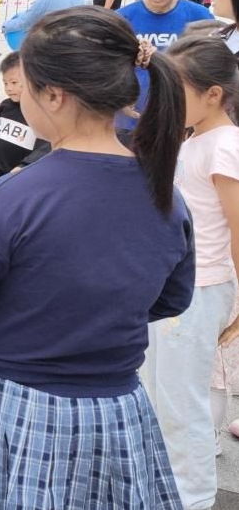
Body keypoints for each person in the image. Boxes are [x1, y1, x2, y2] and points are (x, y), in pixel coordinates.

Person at [0, 6, 193, 510]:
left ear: (55, 96)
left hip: (14, 405)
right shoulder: (167, 198)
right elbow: (171, 297)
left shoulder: (12, 197)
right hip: (117, 407)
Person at [143, 33, 239, 509]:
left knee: (183, 404)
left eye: (175, 90)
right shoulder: (198, 138)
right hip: (179, 287)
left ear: (213, 94)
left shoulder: (224, 147)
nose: (167, 101)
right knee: (162, 394)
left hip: (202, 290)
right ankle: (168, 487)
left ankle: (194, 497)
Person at [115, 0, 212, 141]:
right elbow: (108, 65)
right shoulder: (122, 18)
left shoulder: (200, 17)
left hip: (180, 120)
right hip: (130, 121)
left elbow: (211, 69)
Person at [0, 52, 50, 198]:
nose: (8, 88)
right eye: (5, 83)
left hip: (14, 179)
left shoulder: (41, 114)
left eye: (14, 83)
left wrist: (24, 166)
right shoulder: (6, 106)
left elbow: (46, 146)